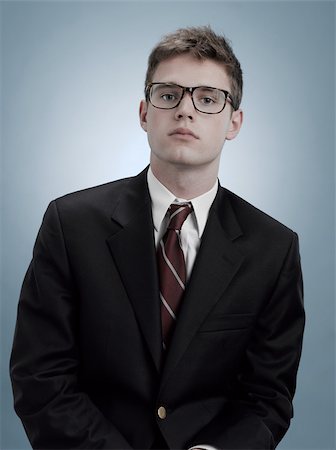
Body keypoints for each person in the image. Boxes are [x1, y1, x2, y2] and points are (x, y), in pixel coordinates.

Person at [10, 26, 305, 450]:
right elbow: (40, 377)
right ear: (145, 113)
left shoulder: (273, 248)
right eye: (169, 95)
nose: (185, 110)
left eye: (207, 99)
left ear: (234, 122)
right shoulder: (70, 224)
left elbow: (268, 397)